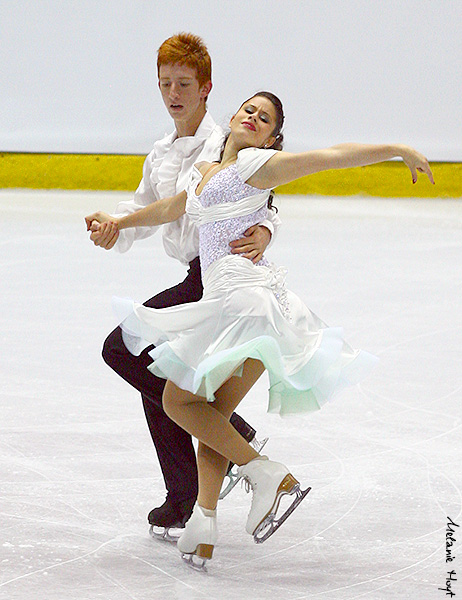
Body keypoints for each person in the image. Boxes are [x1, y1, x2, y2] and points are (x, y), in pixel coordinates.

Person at [87, 91, 434, 568]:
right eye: (248, 108)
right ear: (232, 117)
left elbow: (329, 159)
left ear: (271, 138)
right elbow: (170, 209)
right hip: (246, 304)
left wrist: (396, 148)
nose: (253, 116)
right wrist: (121, 221)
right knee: (212, 415)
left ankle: (264, 471)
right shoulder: (205, 173)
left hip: (241, 301)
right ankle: (204, 524)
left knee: (176, 400)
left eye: (265, 118)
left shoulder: (255, 166)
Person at [85, 33, 280, 538]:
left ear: (206, 88)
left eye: (184, 84)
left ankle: (224, 436)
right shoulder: (161, 152)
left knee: (124, 350)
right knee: (157, 376)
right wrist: (115, 226)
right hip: (193, 276)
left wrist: (267, 230)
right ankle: (185, 491)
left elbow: (266, 191)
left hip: (215, 278)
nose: (174, 93)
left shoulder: (225, 140)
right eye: (165, 83)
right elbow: (147, 209)